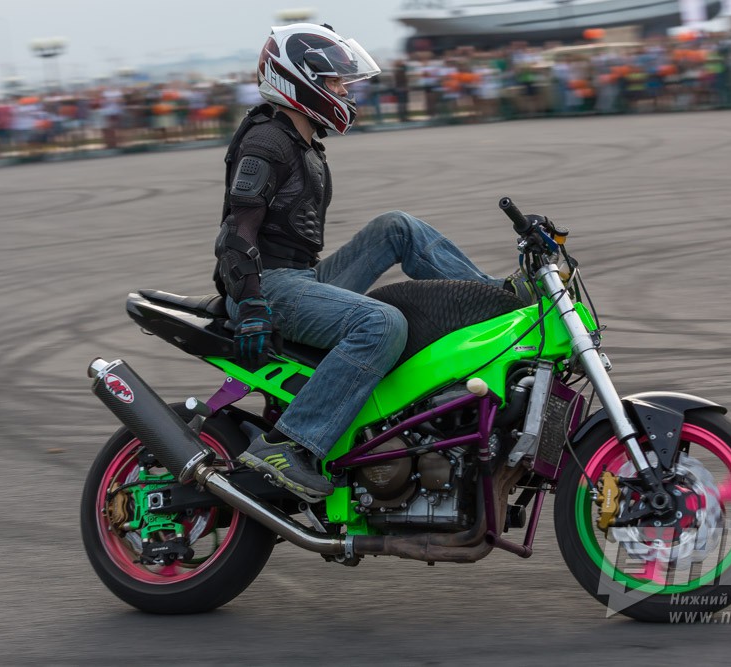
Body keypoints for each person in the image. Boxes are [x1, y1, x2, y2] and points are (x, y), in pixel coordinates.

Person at [213, 23, 532, 501]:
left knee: (395, 227)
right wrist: (252, 302)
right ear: (297, 79)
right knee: (382, 324)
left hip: (299, 278)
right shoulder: (267, 142)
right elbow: (236, 232)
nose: (344, 91)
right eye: (334, 81)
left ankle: (499, 301)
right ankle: (290, 445)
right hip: (268, 288)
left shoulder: (300, 140)